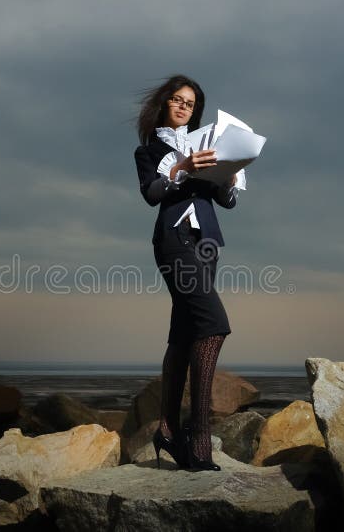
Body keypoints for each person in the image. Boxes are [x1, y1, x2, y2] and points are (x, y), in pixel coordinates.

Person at [133, 74, 242, 471]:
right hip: (174, 240)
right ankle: (199, 438)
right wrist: (181, 166)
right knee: (213, 324)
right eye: (177, 100)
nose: (184, 107)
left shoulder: (206, 146)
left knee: (184, 334)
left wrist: (229, 174)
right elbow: (151, 194)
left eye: (190, 104)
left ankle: (165, 428)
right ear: (165, 103)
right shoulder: (148, 151)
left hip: (208, 244)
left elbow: (227, 202)